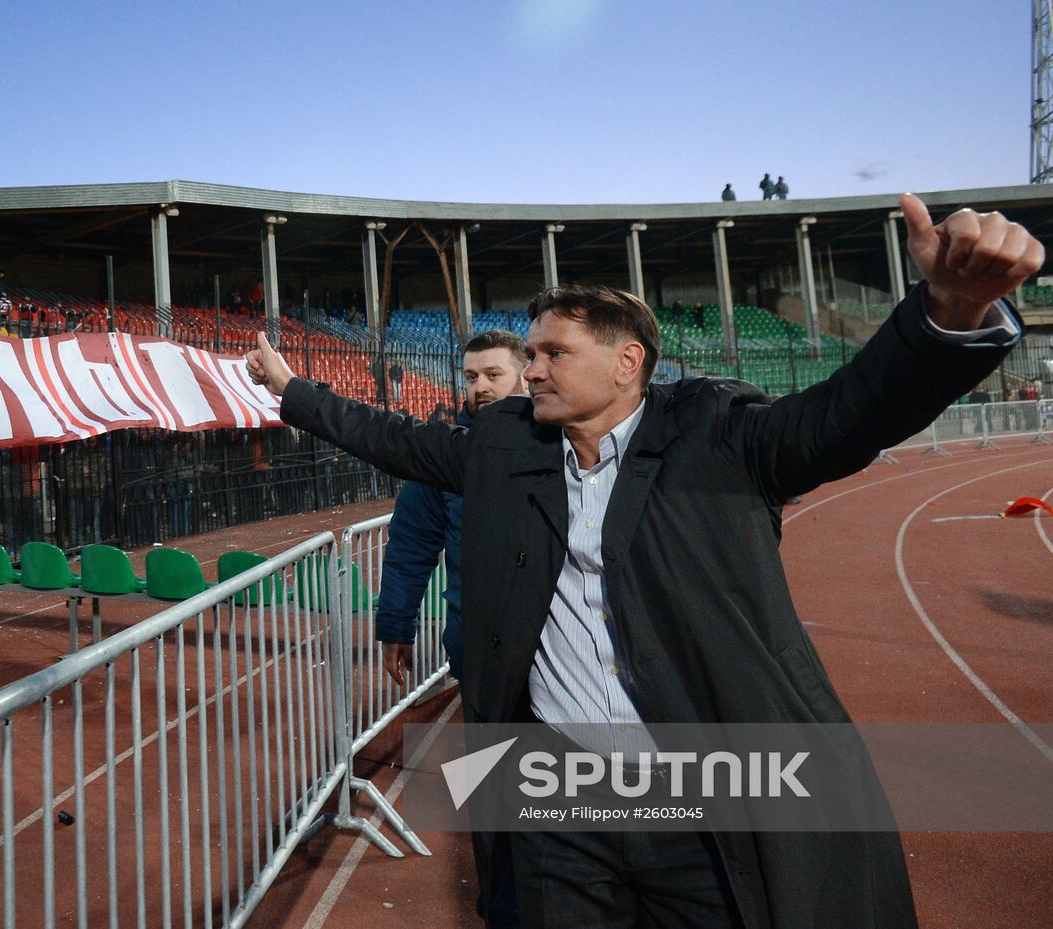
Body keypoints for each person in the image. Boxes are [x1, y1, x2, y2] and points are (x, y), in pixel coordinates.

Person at [246, 193, 1040, 929]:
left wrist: (949, 308)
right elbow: (392, 436)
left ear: (628, 362)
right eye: (530, 354)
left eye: (553, 353)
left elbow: (851, 411)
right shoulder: (504, 442)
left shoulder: (720, 434)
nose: (531, 372)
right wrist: (294, 390)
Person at [379, 329, 528, 929]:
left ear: (526, 373)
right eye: (470, 377)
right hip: (478, 648)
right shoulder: (449, 452)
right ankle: (503, 905)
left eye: (493, 374)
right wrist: (396, 625)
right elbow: (411, 543)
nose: (480, 387)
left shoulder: (567, 441)